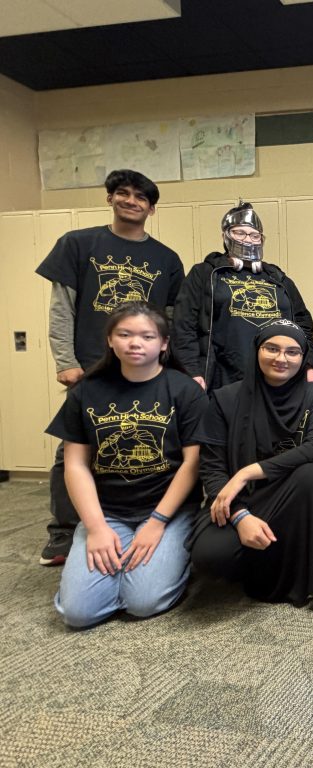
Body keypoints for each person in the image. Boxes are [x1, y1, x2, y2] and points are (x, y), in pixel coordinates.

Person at [36, 169, 184, 566]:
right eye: (123, 193)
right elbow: (61, 308)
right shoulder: (79, 244)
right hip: (90, 367)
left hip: (149, 368)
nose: (131, 201)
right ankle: (65, 532)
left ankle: (147, 517)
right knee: (73, 449)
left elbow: (170, 318)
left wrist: (170, 366)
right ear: (110, 198)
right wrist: (65, 362)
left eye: (140, 197)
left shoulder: (166, 259)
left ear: (151, 208)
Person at [46, 302, 205, 627]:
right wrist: (95, 527)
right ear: (110, 340)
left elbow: (193, 463)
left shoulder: (185, 390)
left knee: (143, 603)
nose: (135, 343)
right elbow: (75, 465)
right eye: (125, 334)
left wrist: (158, 521)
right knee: (78, 613)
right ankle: (119, 569)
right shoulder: (85, 392)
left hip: (169, 512)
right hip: (108, 512)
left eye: (147, 336)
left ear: (163, 344)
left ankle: (163, 566)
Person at [189, 319, 313, 605]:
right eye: (272, 348)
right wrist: (240, 515)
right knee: (210, 556)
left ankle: (302, 579)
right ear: (257, 351)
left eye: (292, 352)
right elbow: (212, 466)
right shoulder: (225, 399)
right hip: (240, 498)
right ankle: (254, 561)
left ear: (303, 358)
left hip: (292, 497)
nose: (281, 358)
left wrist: (247, 472)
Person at [173, 201, 313, 393]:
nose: (247, 240)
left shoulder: (278, 278)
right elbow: (183, 325)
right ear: (225, 235)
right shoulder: (205, 273)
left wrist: (309, 364)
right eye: (239, 233)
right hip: (223, 379)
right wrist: (192, 371)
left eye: (254, 235)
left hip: (277, 377)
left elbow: (303, 324)